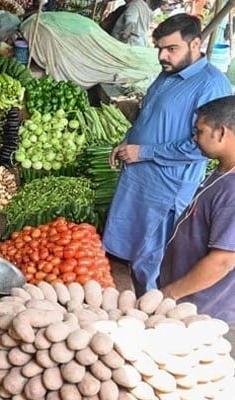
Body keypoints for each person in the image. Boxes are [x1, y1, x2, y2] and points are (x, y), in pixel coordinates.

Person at [102, 13, 232, 297]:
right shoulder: (167, 73)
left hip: (164, 188)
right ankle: (127, 298)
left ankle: (150, 312)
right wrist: (128, 142)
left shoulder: (211, 86)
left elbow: (198, 147)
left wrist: (144, 151)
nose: (163, 55)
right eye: (159, 48)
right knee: (129, 247)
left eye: (171, 49)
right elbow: (148, 116)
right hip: (138, 178)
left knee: (151, 257)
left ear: (195, 44)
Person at [158, 95, 235, 358]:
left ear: (221, 132)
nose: (194, 138)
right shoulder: (223, 171)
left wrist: (171, 293)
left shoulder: (233, 190)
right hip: (189, 299)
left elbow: (223, 260)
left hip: (205, 310)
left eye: (200, 131)